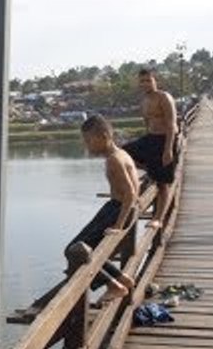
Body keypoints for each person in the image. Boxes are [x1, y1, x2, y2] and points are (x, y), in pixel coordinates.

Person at [65, 114, 138, 304]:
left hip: (117, 210)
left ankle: (115, 285)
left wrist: (119, 226)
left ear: (104, 136)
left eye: (89, 140)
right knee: (83, 249)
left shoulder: (114, 159)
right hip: (115, 208)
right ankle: (121, 279)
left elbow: (130, 193)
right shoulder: (121, 154)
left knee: (73, 251)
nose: (86, 145)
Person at [121, 68, 178, 229]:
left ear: (155, 80)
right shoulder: (145, 100)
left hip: (164, 139)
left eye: (148, 80)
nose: (145, 84)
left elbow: (171, 124)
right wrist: (144, 141)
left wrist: (168, 150)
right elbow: (147, 123)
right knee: (122, 153)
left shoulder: (164, 97)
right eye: (142, 81)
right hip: (151, 138)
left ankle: (158, 219)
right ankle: (151, 170)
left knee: (163, 183)